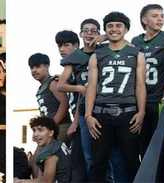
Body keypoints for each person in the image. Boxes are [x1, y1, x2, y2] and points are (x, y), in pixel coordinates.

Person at [58, 18, 126, 182]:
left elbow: (130, 47)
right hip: (85, 112)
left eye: (94, 31)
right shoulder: (74, 57)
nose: (89, 34)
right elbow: (61, 85)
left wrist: (106, 37)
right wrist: (80, 88)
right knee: (90, 156)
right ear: (80, 34)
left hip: (106, 108)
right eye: (86, 30)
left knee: (112, 154)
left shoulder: (106, 50)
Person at [84, 11, 145, 182]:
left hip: (128, 113)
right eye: (110, 26)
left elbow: (140, 86)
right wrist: (88, 115)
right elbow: (92, 88)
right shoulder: (97, 55)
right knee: (98, 163)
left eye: (118, 25)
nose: (114, 29)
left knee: (132, 161)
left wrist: (141, 112)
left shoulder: (136, 54)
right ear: (105, 30)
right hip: (101, 113)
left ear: (126, 29)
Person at [131, 4, 164, 157]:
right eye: (155, 16)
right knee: (142, 146)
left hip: (160, 100)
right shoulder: (136, 41)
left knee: (160, 144)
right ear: (144, 20)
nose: (160, 19)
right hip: (139, 100)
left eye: (162, 16)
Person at [30, 53, 71, 144]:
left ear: (47, 66)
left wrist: (52, 125)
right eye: (31, 68)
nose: (34, 70)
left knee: (47, 156)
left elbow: (65, 104)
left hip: (61, 126)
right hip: (48, 129)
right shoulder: (41, 88)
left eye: (37, 66)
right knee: (36, 157)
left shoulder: (52, 83)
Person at [16, 116, 72, 183]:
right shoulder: (58, 144)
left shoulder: (50, 153)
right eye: (34, 130)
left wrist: (20, 181)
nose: (36, 134)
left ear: (51, 133)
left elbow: (46, 182)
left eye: (40, 130)